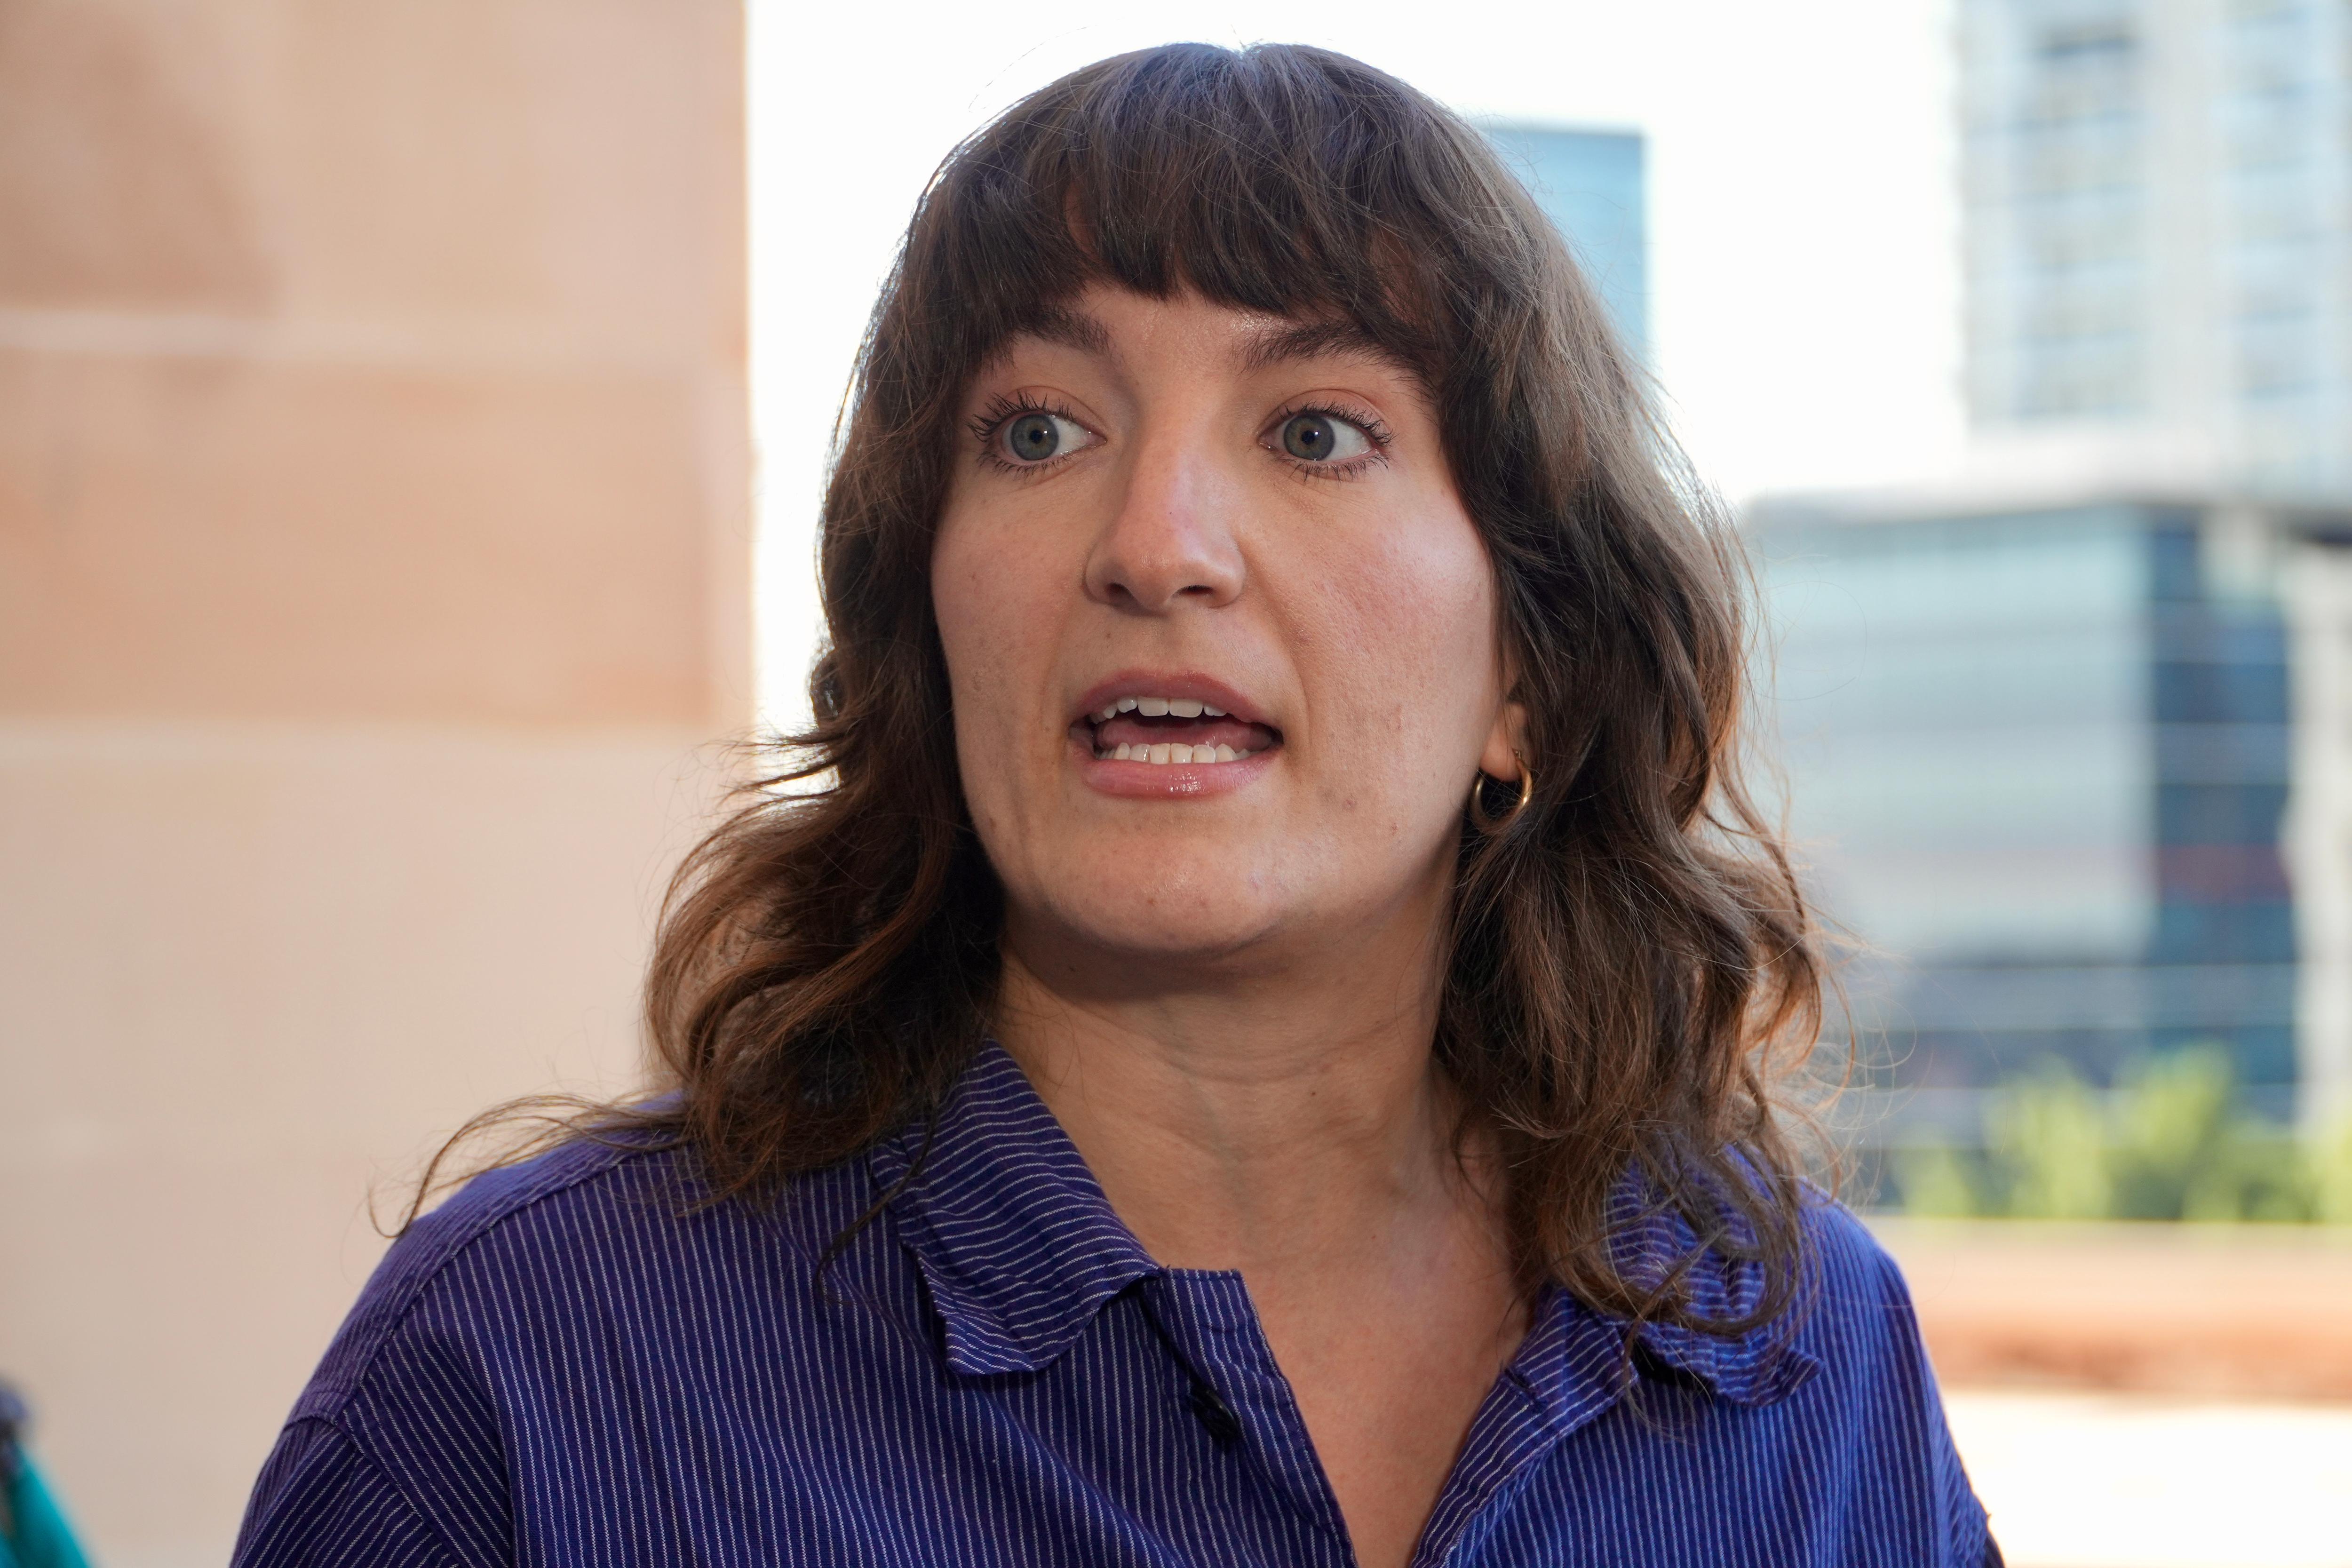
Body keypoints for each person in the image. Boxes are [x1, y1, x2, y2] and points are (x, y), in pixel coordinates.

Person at [232, 42, 1996, 1568]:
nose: (1155, 543)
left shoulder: (1797, 1355)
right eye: (1039, 431)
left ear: (1527, 678)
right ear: (931, 615)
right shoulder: (535, 1372)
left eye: (1313, 432)